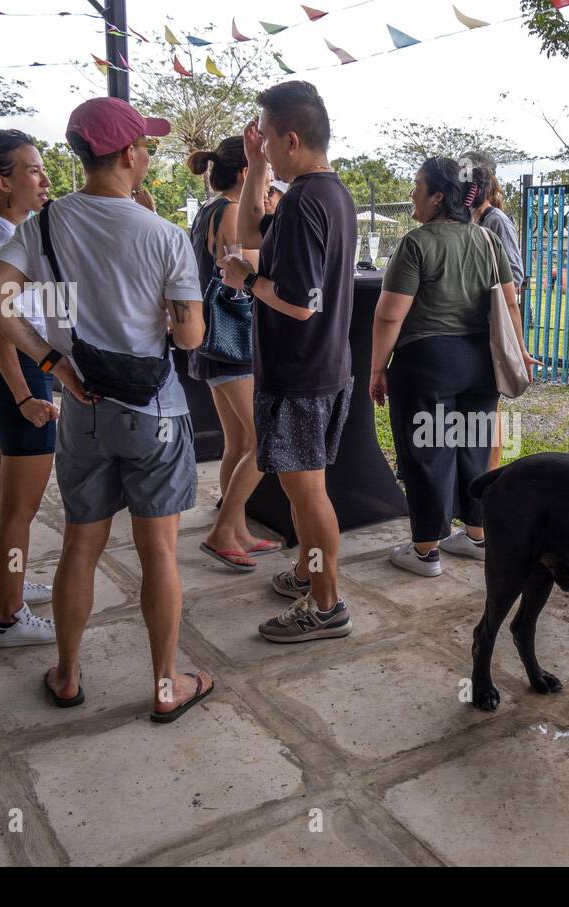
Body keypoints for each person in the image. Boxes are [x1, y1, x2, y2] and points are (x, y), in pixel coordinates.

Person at [0, 97, 214, 722]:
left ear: (81, 156)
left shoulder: (43, 226)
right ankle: (166, 686)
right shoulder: (164, 236)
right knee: (158, 551)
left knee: (81, 544)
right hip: (154, 411)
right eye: (145, 147)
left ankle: (67, 675)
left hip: (81, 406)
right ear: (130, 154)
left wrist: (50, 364)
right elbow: (189, 339)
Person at [219, 80, 356, 644]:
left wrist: (246, 280)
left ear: (292, 137)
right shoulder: (331, 194)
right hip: (326, 367)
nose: (265, 147)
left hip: (300, 373)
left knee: (308, 494)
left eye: (268, 139)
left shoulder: (303, 203)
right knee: (310, 487)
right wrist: (253, 167)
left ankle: (326, 605)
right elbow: (252, 230)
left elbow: (299, 303)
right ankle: (308, 572)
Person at [369, 156, 537, 577]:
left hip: (428, 362)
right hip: (481, 362)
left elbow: (391, 315)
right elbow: (510, 303)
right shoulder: (487, 240)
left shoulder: (416, 243)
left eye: (417, 185)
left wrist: (377, 367)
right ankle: (477, 536)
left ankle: (426, 551)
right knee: (474, 445)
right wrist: (519, 349)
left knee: (428, 450)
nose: (412, 193)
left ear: (439, 196)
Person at [0, 124, 57, 647]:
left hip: (10, 381)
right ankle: (11, 618)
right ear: (3, 183)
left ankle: (7, 588)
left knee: (7, 504)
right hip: (16, 381)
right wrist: (25, 396)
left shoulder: (9, 232)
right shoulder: (2, 236)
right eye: (31, 169)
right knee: (20, 512)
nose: (43, 178)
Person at [186, 137, 280, 569]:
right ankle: (224, 530)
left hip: (213, 343)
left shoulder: (207, 211)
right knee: (265, 441)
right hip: (234, 341)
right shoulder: (230, 213)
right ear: (245, 173)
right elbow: (257, 270)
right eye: (261, 169)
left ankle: (237, 529)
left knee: (238, 441)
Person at [463, 152, 526, 472]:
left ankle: (491, 475)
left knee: (491, 409)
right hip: (477, 328)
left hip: (493, 324)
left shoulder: (496, 221)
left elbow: (514, 276)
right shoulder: (473, 222)